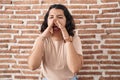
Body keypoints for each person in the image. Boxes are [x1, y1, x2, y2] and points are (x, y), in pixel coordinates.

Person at [28, 4, 83, 80]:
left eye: (60, 17)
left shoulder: (74, 38)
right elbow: (32, 66)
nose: (55, 20)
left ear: (66, 21)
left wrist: (67, 40)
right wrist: (42, 38)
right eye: (51, 17)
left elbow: (75, 69)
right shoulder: (41, 39)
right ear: (47, 21)